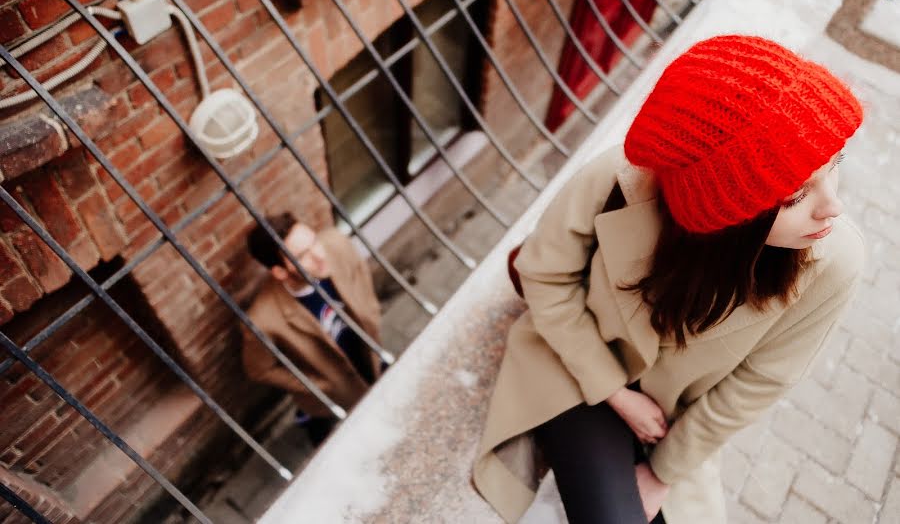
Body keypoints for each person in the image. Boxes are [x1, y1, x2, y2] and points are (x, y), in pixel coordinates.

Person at [472, 35, 866, 524]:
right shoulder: (618, 180)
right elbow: (544, 275)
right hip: (582, 366)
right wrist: (616, 392)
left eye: (835, 167)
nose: (834, 206)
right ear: (729, 207)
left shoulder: (833, 261)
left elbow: (757, 382)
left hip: (674, 421)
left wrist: (662, 473)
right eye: (794, 195)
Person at [243, 213, 384, 445]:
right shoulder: (263, 320)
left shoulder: (336, 245)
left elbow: (360, 274)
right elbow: (259, 370)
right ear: (280, 272)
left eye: (314, 241)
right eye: (302, 256)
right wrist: (315, 384)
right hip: (329, 398)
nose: (319, 255)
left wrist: (371, 314)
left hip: (366, 353)